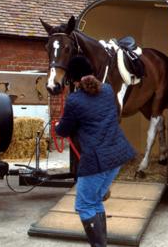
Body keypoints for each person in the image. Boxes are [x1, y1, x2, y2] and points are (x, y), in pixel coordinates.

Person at [56, 56, 136, 247]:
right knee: (95, 202)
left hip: (96, 162)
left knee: (84, 205)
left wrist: (59, 125)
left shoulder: (74, 100)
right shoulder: (108, 90)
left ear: (73, 80)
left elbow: (63, 130)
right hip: (117, 157)